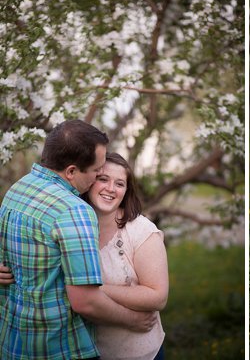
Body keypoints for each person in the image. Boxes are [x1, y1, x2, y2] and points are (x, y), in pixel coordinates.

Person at [0, 119, 157, 359]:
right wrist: (133, 320)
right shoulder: (73, 211)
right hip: (58, 348)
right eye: (97, 171)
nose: (98, 176)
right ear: (71, 171)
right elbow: (85, 302)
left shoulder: (17, 190)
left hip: (13, 344)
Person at [81, 152, 169, 360]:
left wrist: (94, 290)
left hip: (140, 354)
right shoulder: (72, 227)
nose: (111, 188)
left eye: (119, 183)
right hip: (85, 351)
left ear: (126, 191)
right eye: (103, 179)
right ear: (89, 181)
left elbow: (158, 297)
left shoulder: (142, 231)